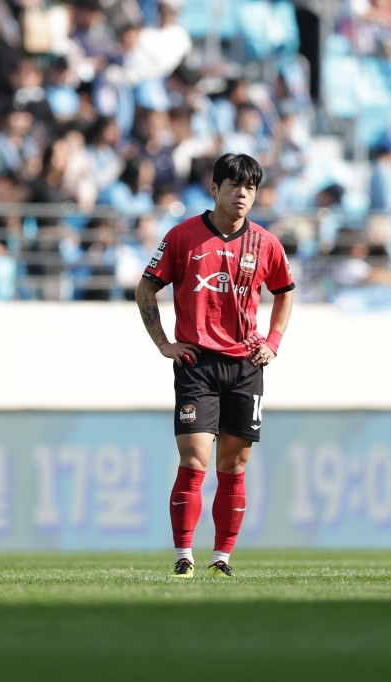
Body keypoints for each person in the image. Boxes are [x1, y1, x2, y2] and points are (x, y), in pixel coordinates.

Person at [135, 153, 294, 579]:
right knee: (193, 459)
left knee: (235, 465)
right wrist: (163, 343)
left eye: (250, 188)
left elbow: (284, 292)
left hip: (245, 364)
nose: (242, 194)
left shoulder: (266, 244)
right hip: (197, 362)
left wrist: (274, 342)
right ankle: (183, 554)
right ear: (215, 189)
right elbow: (146, 289)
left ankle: (221, 558)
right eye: (233, 186)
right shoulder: (184, 236)